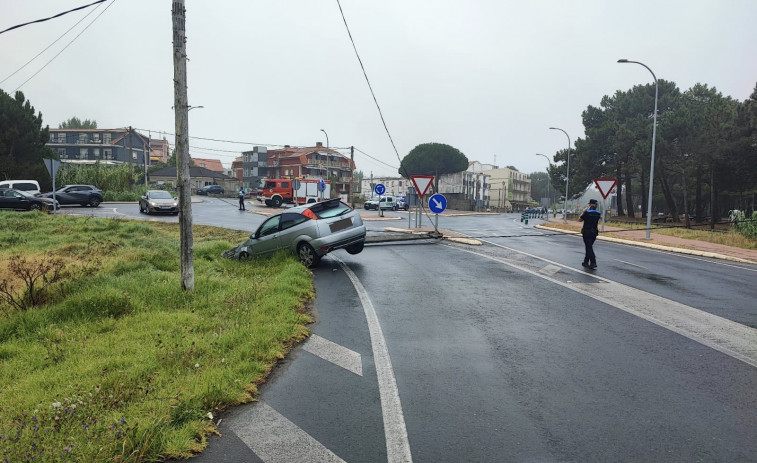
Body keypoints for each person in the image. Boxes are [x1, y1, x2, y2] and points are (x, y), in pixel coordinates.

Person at [578, 199, 601, 269]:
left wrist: (583, 211)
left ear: (590, 205)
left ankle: (593, 262)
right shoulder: (598, 213)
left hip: (587, 232)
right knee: (589, 247)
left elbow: (579, 219)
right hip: (594, 232)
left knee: (589, 247)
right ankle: (586, 261)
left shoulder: (587, 212)